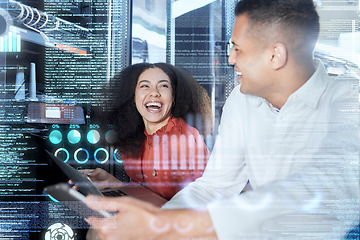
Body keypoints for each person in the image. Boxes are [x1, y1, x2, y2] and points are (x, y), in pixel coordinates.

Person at [84, 0, 359, 239]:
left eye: (238, 49)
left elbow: (322, 192)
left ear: (275, 55)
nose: (230, 59)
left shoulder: (349, 100)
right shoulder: (242, 100)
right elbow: (215, 186)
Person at [81, 62, 212, 202]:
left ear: (173, 97)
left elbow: (190, 206)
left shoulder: (182, 136)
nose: (154, 93)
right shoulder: (136, 139)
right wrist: (111, 183)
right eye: (145, 86)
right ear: (133, 97)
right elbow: (147, 192)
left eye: (163, 86)